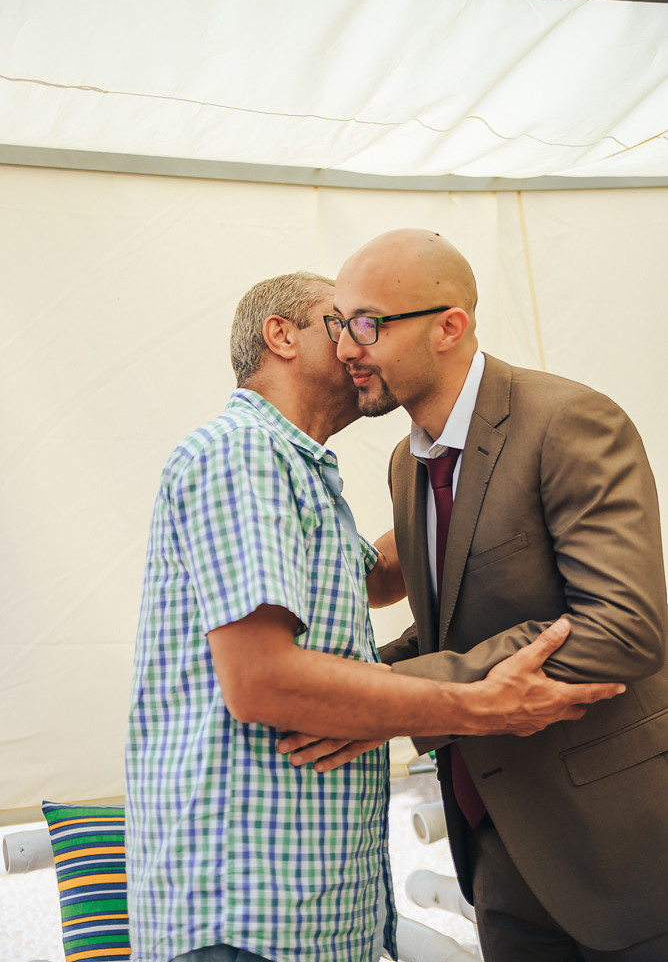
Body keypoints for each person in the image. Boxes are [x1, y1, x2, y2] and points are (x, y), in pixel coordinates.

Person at [125, 269, 623, 962]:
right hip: (249, 917)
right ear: (282, 336)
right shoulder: (242, 452)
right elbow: (260, 681)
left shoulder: (301, 472)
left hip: (310, 912)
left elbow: (381, 576)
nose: (366, 345)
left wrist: (463, 474)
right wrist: (479, 707)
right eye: (348, 325)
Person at [303, 229, 667, 962]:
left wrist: (392, 697)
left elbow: (623, 629)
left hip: (623, 850)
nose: (345, 347)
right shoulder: (408, 463)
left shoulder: (568, 422)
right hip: (494, 848)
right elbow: (451, 632)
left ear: (450, 326)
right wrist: (336, 684)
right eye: (339, 323)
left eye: (368, 323)